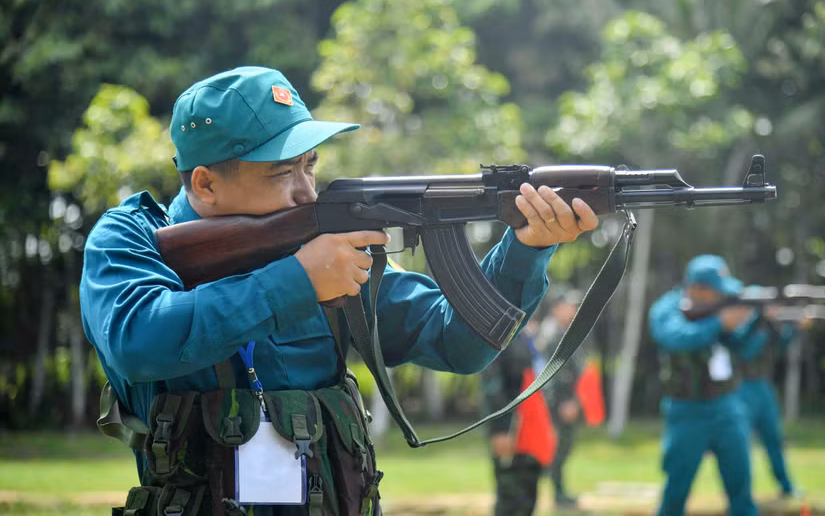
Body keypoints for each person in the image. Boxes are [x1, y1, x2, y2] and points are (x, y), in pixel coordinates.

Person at [80, 66, 600, 516]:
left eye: (310, 165)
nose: (306, 190)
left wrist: (526, 248)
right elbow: (137, 339)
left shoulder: (324, 244)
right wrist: (297, 283)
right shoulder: (132, 239)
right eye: (282, 172)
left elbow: (459, 342)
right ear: (205, 185)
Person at [648, 254, 758, 516]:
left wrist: (755, 320)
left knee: (741, 489)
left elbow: (743, 348)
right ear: (698, 288)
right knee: (675, 493)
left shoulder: (718, 310)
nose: (722, 297)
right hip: (686, 411)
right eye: (717, 292)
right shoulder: (666, 309)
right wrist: (720, 322)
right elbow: (677, 338)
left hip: (726, 406)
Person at [734, 288, 811, 500]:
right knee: (742, 445)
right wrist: (764, 323)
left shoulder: (768, 327)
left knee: (774, 439)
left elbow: (781, 346)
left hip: (763, 388)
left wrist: (797, 328)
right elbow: (746, 352)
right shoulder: (744, 328)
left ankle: (786, 486)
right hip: (743, 388)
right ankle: (741, 493)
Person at [480, 319, 556, 516]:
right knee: (511, 499)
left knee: (527, 495)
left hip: (530, 428)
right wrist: (500, 429)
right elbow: (492, 385)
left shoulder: (524, 334)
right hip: (512, 430)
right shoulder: (499, 333)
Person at [537, 290, 587, 509]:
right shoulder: (552, 334)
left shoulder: (563, 330)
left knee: (562, 447)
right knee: (556, 447)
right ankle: (557, 493)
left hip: (563, 400)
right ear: (557, 307)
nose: (574, 310)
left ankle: (558, 491)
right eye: (570, 305)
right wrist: (565, 401)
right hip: (556, 403)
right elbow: (554, 373)